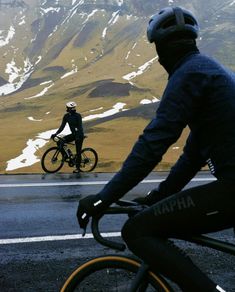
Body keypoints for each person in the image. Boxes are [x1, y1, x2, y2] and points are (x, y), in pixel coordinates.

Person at [77, 6, 235, 292]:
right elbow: (192, 156)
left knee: (138, 230)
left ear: (160, 51)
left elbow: (153, 144)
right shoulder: (207, 71)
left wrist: (103, 198)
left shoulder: (188, 75)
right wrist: (158, 198)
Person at [51, 101, 84, 173]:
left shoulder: (78, 116)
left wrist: (78, 136)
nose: (67, 109)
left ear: (70, 108)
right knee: (60, 141)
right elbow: (62, 126)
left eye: (68, 108)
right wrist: (56, 134)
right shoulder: (66, 116)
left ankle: (78, 168)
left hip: (79, 135)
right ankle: (65, 155)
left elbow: (80, 127)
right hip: (73, 134)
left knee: (78, 151)